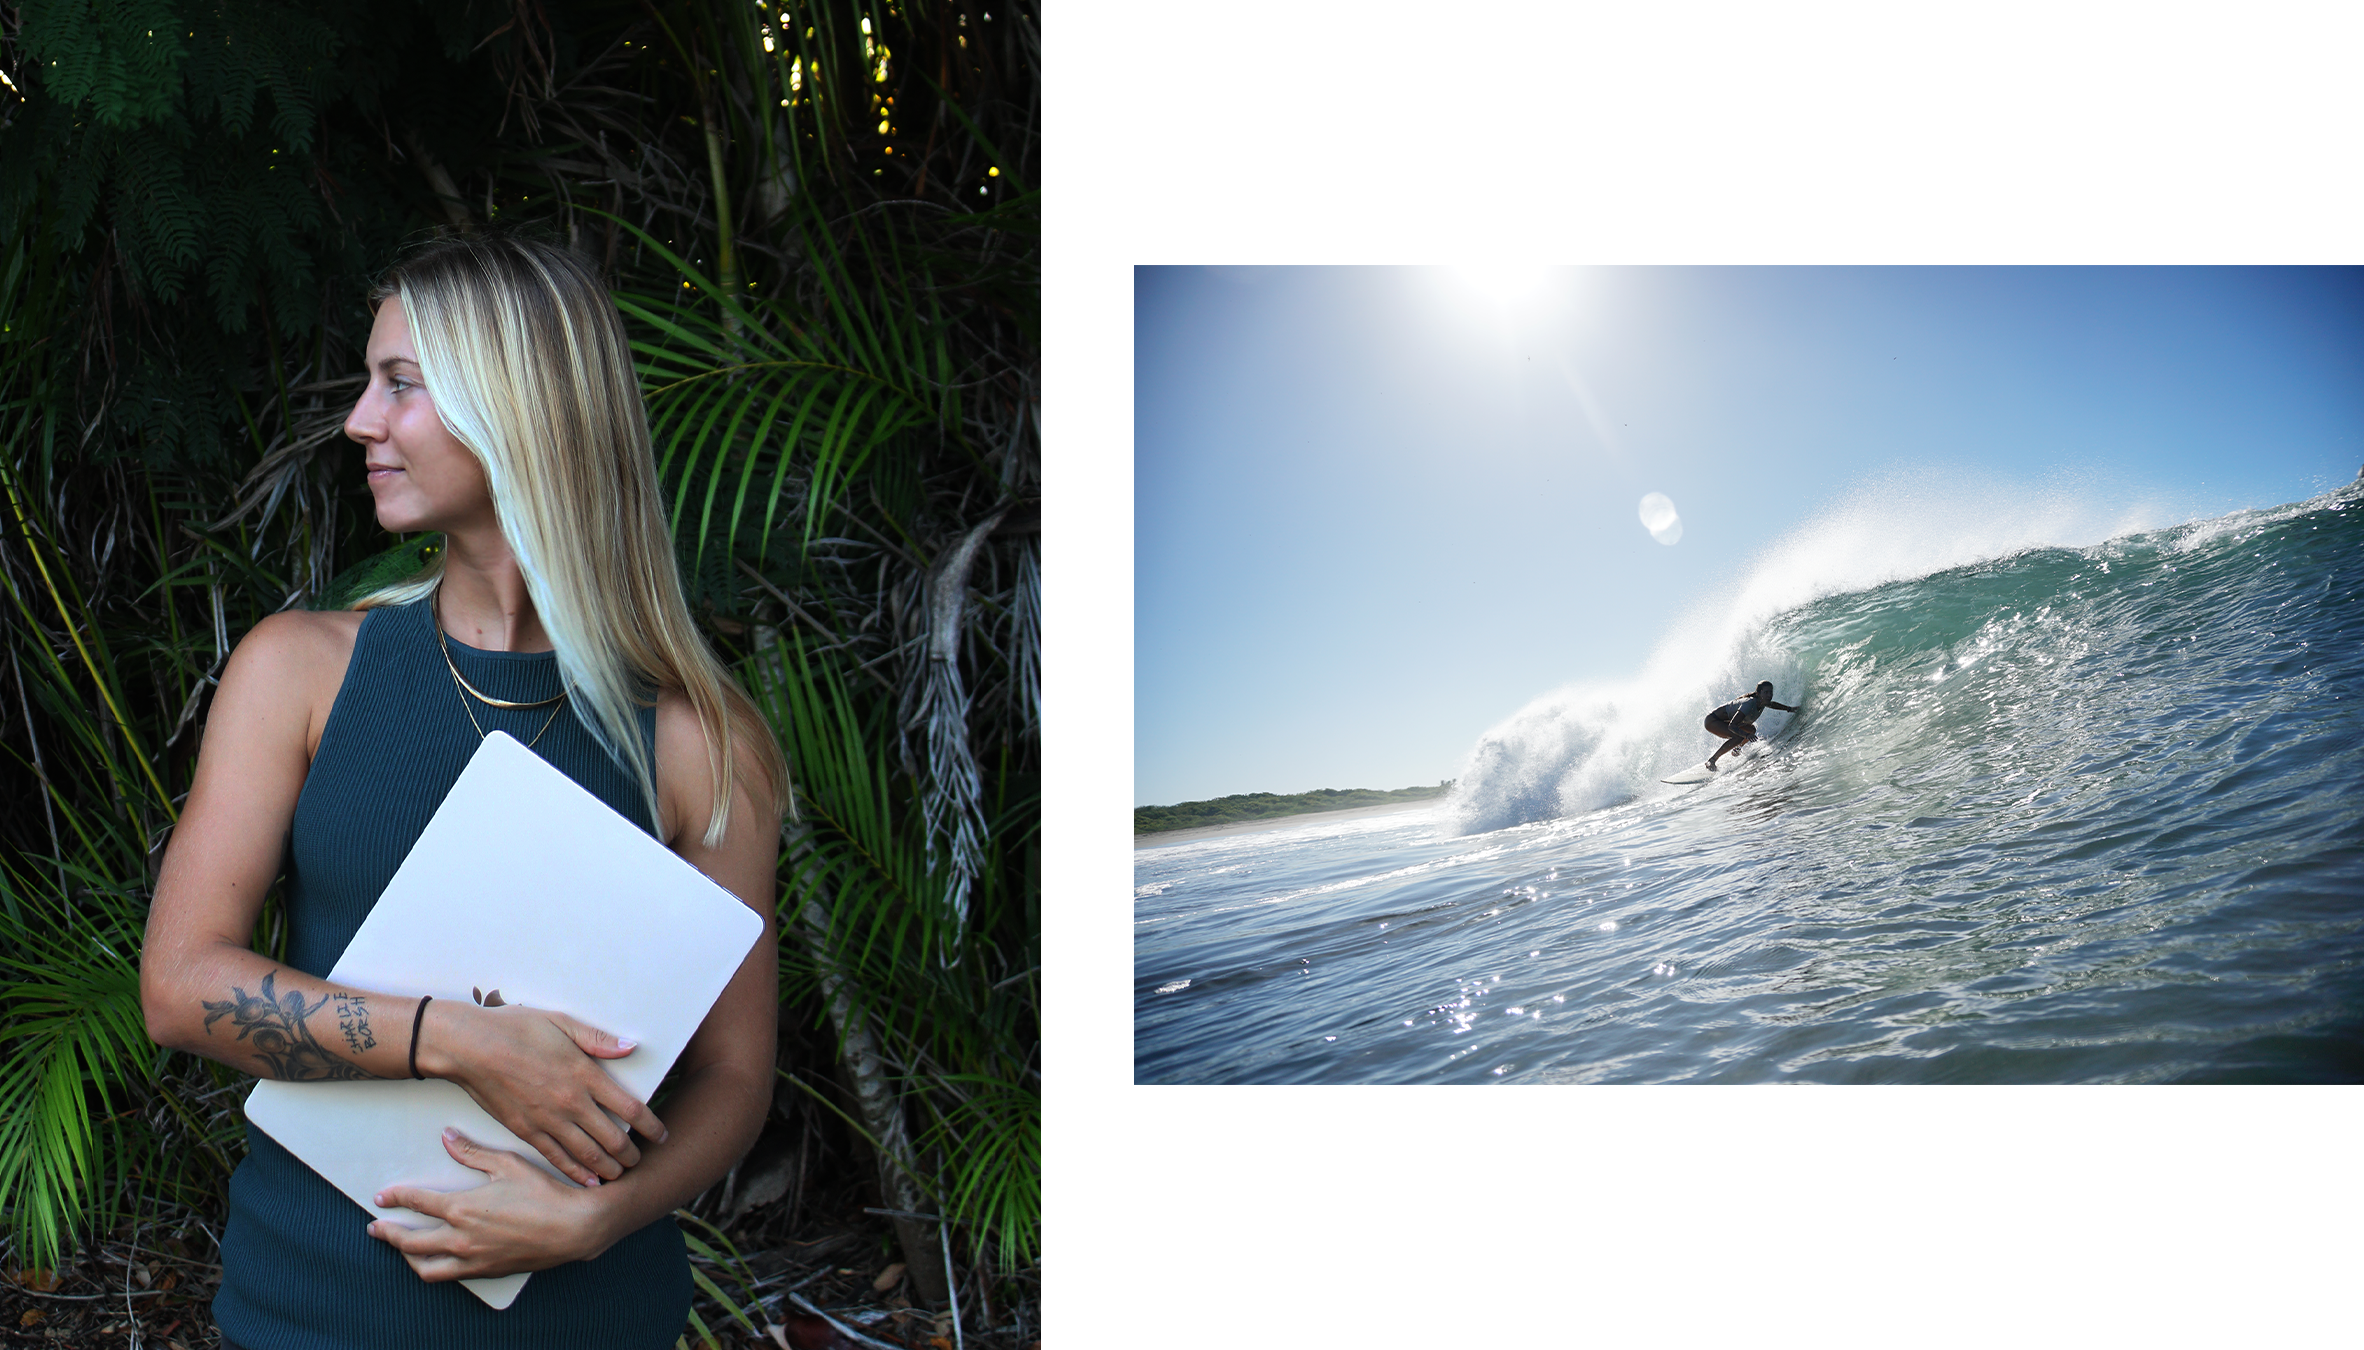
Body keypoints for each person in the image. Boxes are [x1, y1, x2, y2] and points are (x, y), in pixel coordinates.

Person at [140, 233, 787, 1350]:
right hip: (309, 1315)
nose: (358, 421)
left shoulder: (700, 738)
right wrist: (459, 1040)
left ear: (518, 408)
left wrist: (596, 1221)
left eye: (401, 385)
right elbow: (181, 987)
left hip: (593, 1322)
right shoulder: (300, 671)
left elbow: (734, 1075)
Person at [1704, 680, 1801, 771]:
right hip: (1712, 721)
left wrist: (1789, 709)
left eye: (1771, 692)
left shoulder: (1762, 702)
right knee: (1739, 736)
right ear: (1758, 693)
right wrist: (1746, 736)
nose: (1769, 695)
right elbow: (1732, 726)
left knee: (1751, 730)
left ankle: (1736, 749)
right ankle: (1712, 761)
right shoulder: (1749, 703)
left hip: (1723, 721)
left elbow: (1773, 705)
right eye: (1766, 692)